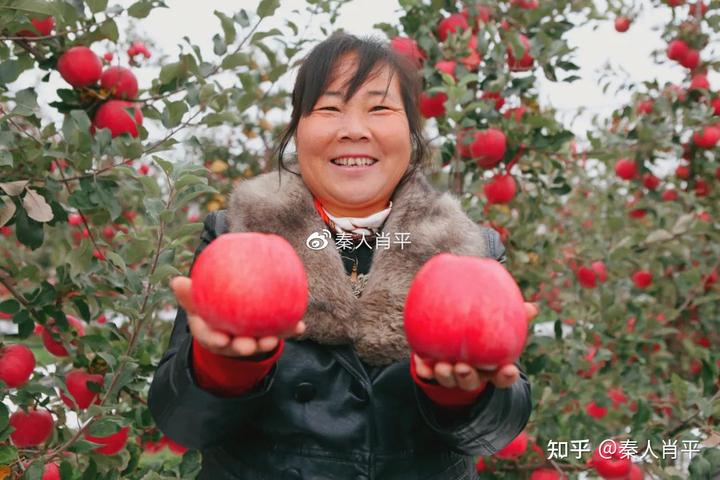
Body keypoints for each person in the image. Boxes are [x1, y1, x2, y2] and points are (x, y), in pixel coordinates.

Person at [148, 32, 536, 480]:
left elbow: (498, 429)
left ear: (411, 132)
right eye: (329, 108)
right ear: (298, 130)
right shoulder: (234, 241)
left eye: (379, 108)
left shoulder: (470, 256)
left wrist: (462, 394)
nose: (354, 129)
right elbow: (180, 420)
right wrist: (224, 368)